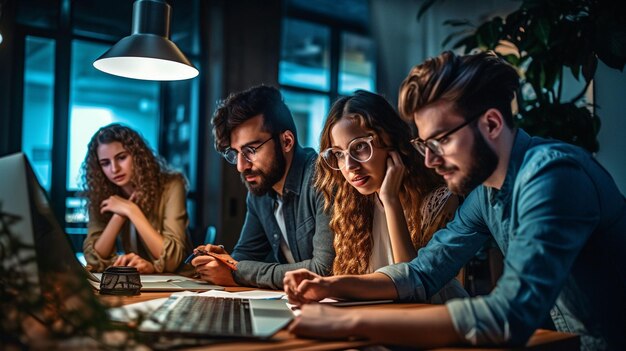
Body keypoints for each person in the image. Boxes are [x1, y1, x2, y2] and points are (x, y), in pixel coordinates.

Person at [284, 51, 626, 350]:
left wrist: (350, 323)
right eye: (426, 145)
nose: (430, 160)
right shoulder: (485, 194)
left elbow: (510, 313)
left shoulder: (553, 176)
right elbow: (419, 274)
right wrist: (329, 286)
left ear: (491, 123)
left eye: (441, 141)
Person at [315, 90, 465, 301]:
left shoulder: (439, 201)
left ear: (392, 142)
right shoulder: (353, 203)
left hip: (436, 320)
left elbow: (412, 289)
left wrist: (391, 200)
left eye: (359, 147)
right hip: (379, 320)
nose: (350, 166)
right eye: (339, 154)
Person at [191, 85, 334, 289]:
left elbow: (323, 271)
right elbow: (245, 256)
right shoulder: (259, 193)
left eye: (251, 150)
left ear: (286, 141)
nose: (241, 166)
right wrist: (222, 261)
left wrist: (237, 270)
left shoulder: (322, 178)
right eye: (235, 153)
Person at [82, 123, 191, 274]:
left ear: (138, 156)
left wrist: (131, 210)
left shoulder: (172, 185)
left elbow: (172, 259)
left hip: (178, 283)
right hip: (137, 281)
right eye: (105, 163)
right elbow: (93, 260)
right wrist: (119, 216)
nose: (114, 169)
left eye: (121, 158)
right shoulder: (101, 194)